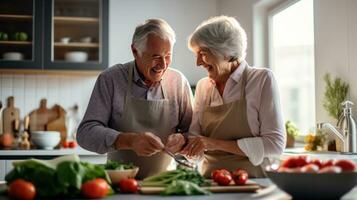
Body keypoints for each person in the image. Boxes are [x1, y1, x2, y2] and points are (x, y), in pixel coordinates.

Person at [77, 19, 193, 179]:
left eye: (168, 56)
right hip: (120, 182)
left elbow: (194, 132)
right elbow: (85, 133)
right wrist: (128, 140)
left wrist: (183, 139)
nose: (163, 64)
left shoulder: (178, 82)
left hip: (165, 184)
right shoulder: (111, 79)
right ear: (135, 51)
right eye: (156, 56)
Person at [179, 16, 285, 178]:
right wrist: (183, 144)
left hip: (254, 183)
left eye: (203, 53)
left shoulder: (262, 79)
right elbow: (196, 142)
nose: (198, 62)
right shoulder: (203, 86)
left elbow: (275, 145)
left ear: (226, 52)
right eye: (196, 55)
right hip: (210, 184)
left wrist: (213, 143)